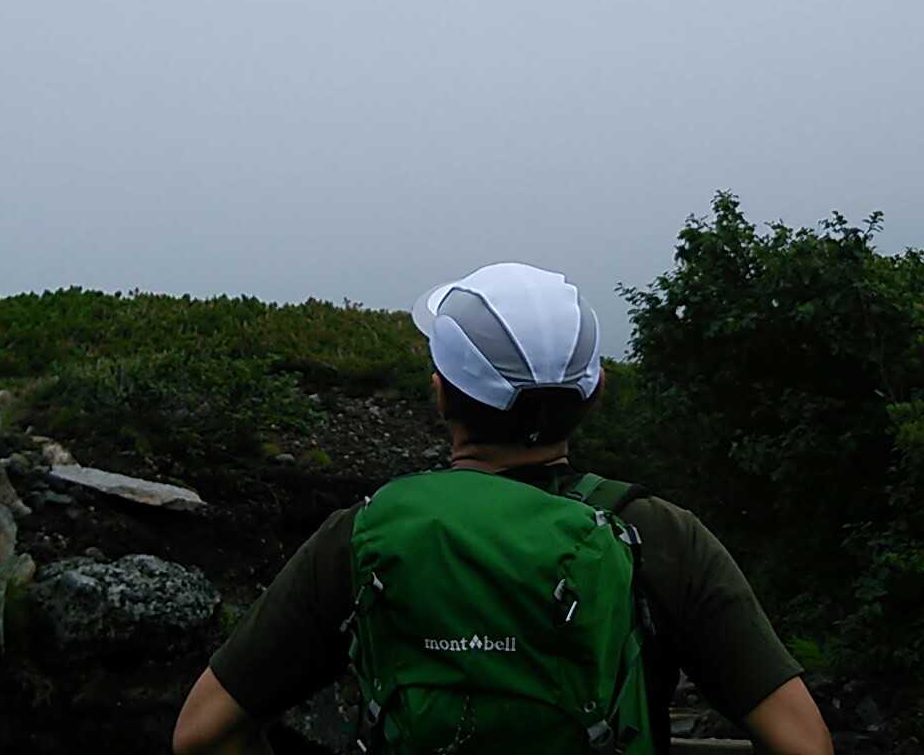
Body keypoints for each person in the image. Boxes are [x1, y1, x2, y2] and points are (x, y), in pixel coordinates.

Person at [173, 263, 832, 755]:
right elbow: (802, 742)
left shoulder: (365, 535)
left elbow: (202, 732)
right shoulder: (659, 534)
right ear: (595, 392)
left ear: (441, 393)